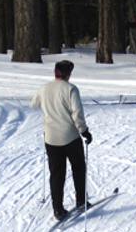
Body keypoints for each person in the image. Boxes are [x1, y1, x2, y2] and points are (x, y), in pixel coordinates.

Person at [30, 60, 93, 221]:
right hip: (70, 136)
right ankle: (81, 201)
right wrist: (84, 131)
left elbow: (33, 104)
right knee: (78, 168)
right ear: (68, 74)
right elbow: (77, 114)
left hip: (51, 138)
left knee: (56, 173)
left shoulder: (44, 88)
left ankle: (57, 208)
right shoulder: (71, 89)